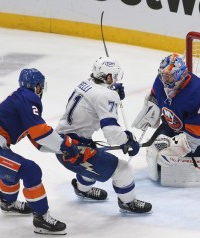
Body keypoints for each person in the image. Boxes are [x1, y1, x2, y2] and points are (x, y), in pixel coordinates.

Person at [0, 68, 86, 235]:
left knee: (12, 169)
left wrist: (62, 149)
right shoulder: (29, 98)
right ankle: (41, 218)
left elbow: (37, 140)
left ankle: (8, 203)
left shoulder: (20, 98)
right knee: (30, 170)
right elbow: (40, 133)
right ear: (37, 86)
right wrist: (65, 145)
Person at [55, 56, 152, 214]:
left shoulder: (84, 84)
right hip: (73, 151)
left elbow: (93, 101)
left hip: (61, 144)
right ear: (108, 77)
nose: (114, 80)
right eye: (113, 77)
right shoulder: (106, 95)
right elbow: (112, 134)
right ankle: (128, 202)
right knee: (123, 169)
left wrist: (111, 92)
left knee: (93, 157)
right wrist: (128, 140)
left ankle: (82, 189)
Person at [133, 53, 200, 158]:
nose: (164, 79)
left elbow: (199, 133)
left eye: (169, 76)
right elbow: (155, 97)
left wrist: (177, 149)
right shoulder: (160, 81)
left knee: (185, 165)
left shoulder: (197, 91)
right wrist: (152, 109)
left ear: (180, 74)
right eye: (162, 74)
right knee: (156, 154)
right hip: (174, 126)